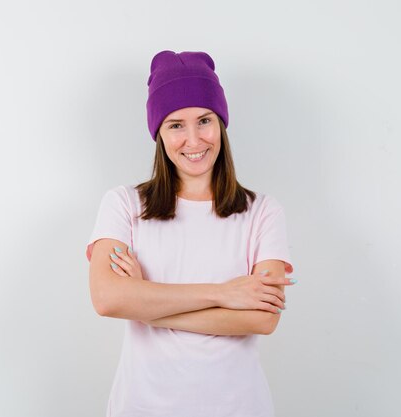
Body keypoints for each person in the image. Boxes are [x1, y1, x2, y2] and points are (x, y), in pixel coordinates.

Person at [85, 50, 297, 417]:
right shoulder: (124, 205)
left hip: (238, 407)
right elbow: (108, 299)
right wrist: (224, 293)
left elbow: (262, 318)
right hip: (143, 406)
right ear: (159, 134)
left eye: (204, 120)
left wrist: (148, 308)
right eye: (176, 125)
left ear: (221, 124)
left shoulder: (263, 211)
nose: (194, 140)